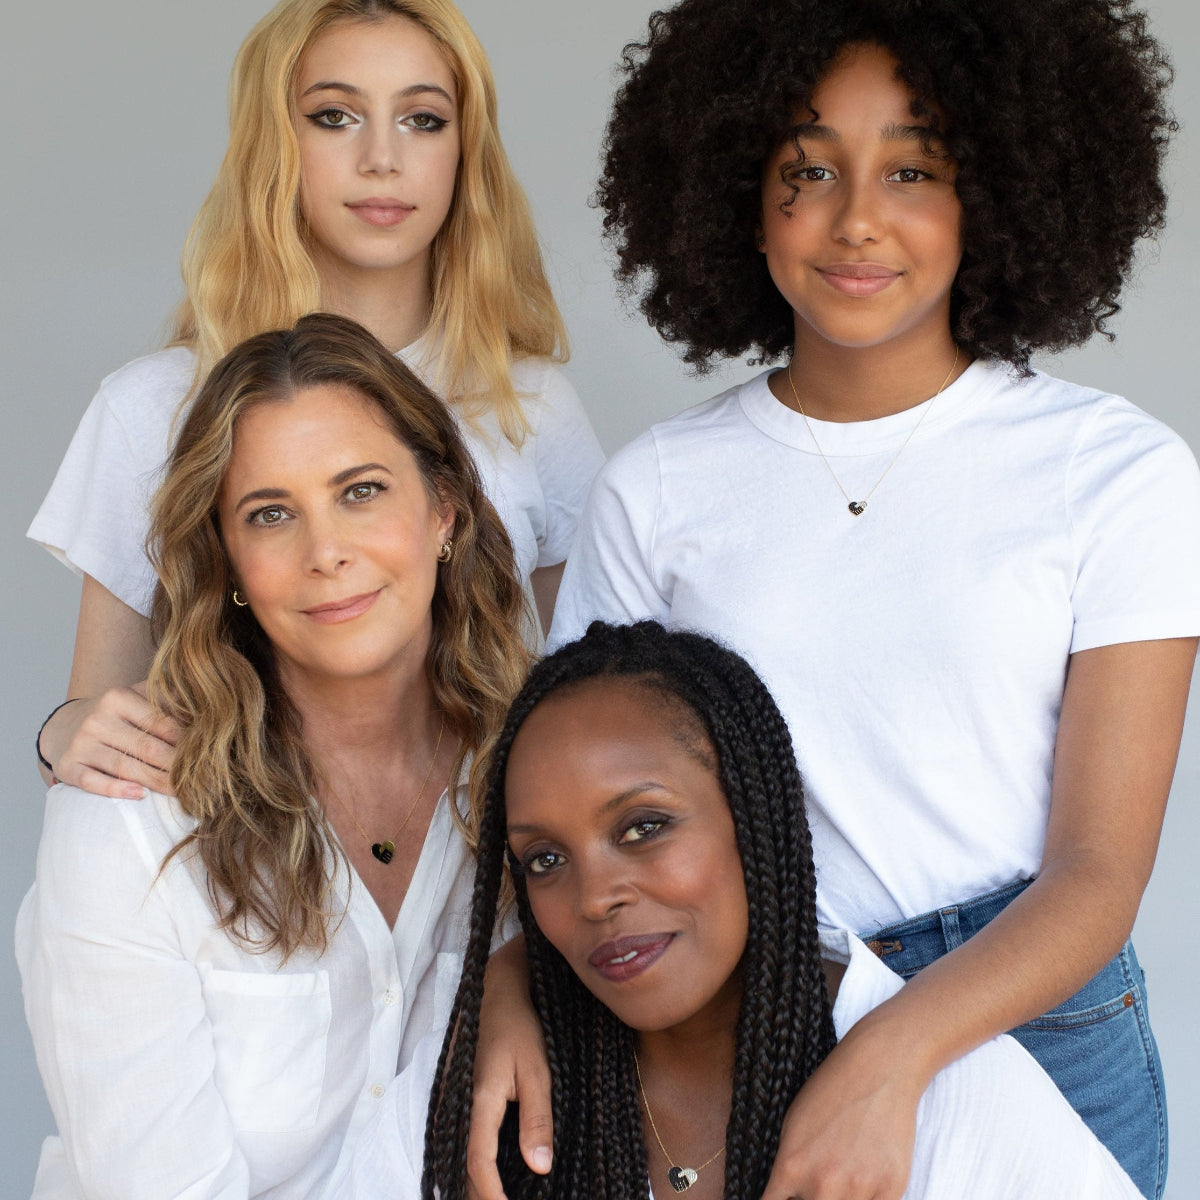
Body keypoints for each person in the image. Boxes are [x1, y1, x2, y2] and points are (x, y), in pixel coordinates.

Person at [533, 2, 1200, 1198]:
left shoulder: (1121, 473)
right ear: (738, 190)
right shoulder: (659, 490)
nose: (855, 220)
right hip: (768, 1017)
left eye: (912, 168)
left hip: (1041, 1027)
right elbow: (564, 806)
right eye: (807, 170)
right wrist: (500, 996)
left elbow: (1098, 870)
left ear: (996, 192)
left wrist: (890, 1055)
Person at [341, 621, 1141, 1200]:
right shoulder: (484, 1096)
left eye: (644, 827)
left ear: (754, 818)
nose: (593, 897)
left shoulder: (960, 1102)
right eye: (545, 860)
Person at [29, 0, 602, 800]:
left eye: (424, 120)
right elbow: (93, 725)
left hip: (486, 888)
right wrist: (63, 733)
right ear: (275, 143)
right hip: (243, 888)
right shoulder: (151, 408)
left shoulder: (529, 406)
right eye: (334, 116)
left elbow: (596, 714)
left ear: (465, 151)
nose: (382, 158)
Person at [16, 312, 530, 1198]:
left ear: (444, 511)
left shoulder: (531, 782)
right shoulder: (134, 817)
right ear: (228, 564)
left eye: (361, 491)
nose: (325, 552)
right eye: (270, 514)